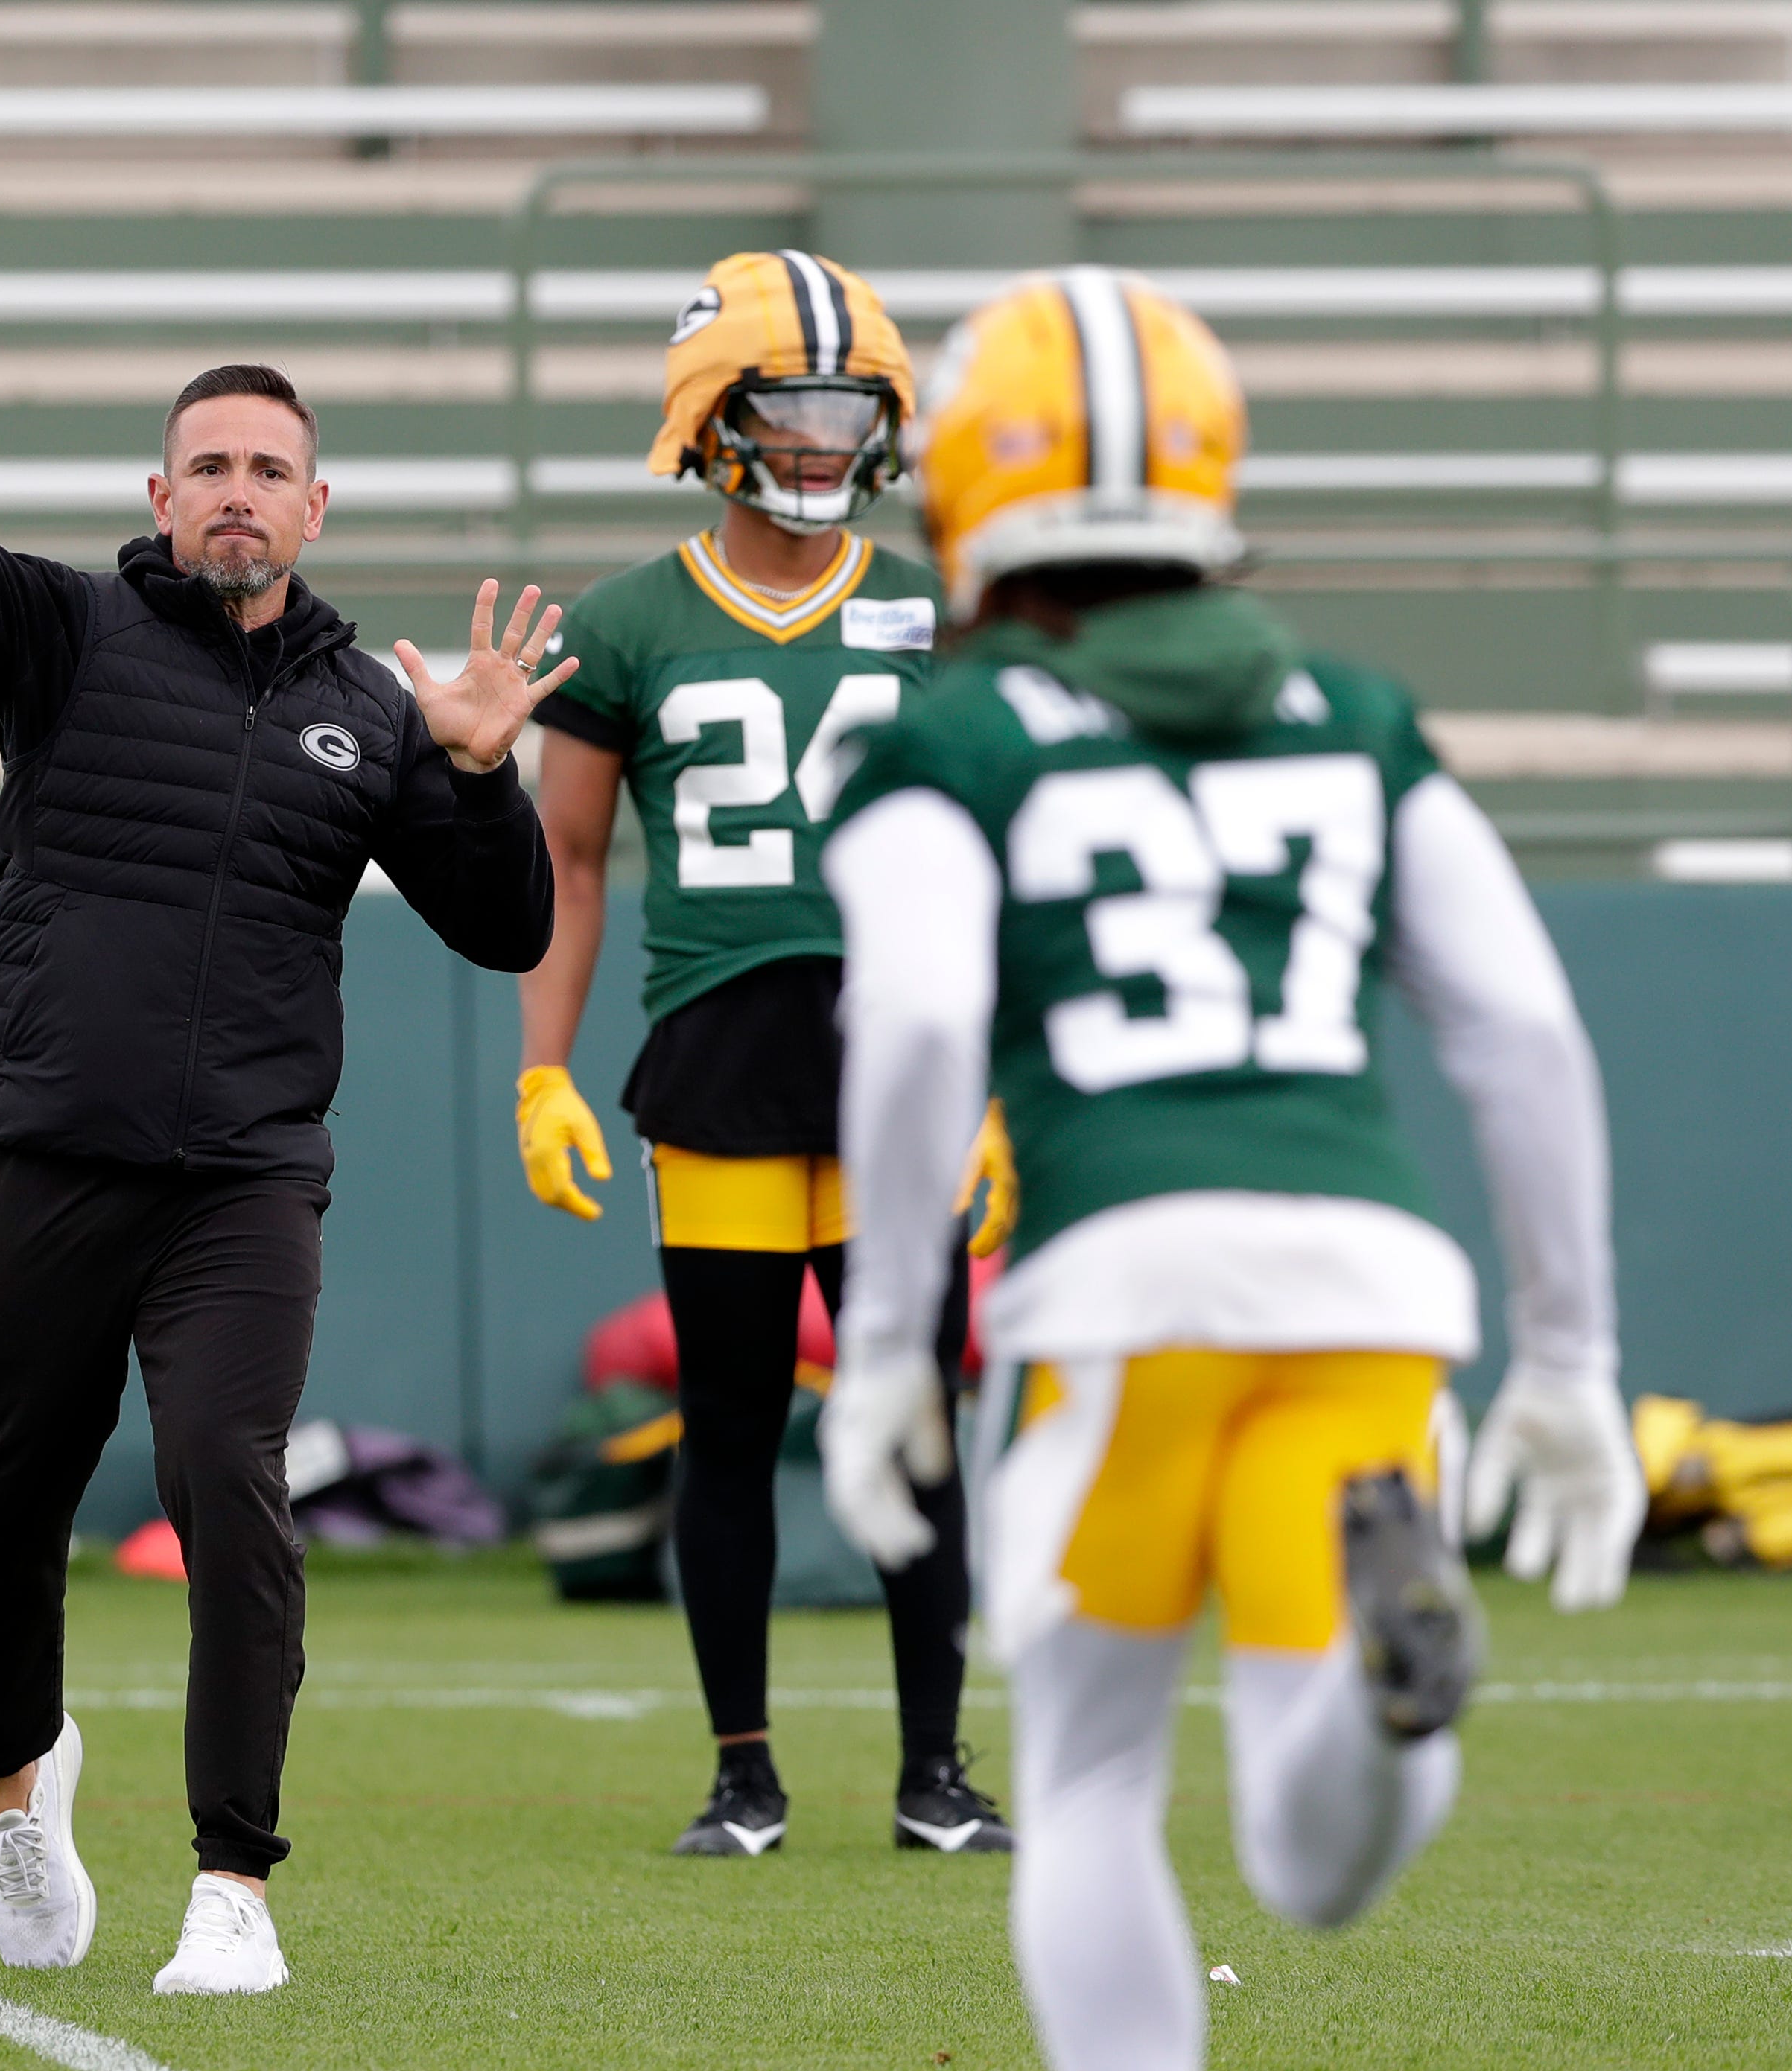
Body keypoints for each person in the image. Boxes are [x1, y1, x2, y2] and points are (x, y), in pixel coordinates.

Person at [0, 221, 560, 1994]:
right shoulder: (66, 635)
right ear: (158, 494)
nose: (239, 494)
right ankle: (13, 1785)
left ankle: (233, 1878)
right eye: (211, 466)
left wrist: (478, 773)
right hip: (48, 1155)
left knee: (228, 1481)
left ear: (320, 509)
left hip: (243, 1178)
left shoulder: (369, 715)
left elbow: (508, 927)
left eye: (271, 471)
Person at [816, 267, 1647, 2071]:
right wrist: (1570, 1356)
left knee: (1094, 1774)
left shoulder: (943, 732)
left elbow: (923, 1025)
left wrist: (889, 1332)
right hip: (1364, 1284)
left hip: (1123, 1287)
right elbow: (1521, 1027)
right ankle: (1383, 1689)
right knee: (1310, 1836)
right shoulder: (1349, 709)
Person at [512, 249, 1010, 1858]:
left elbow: (1003, 847)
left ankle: (935, 1768)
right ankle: (744, 1769)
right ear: (709, 419)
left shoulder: (935, 605)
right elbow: (568, 868)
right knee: (729, 1425)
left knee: (910, 1415)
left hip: (898, 1058)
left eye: (846, 415)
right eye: (790, 414)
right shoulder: (625, 619)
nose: (820, 448)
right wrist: (543, 1065)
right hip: (720, 1054)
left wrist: (1001, 1080)